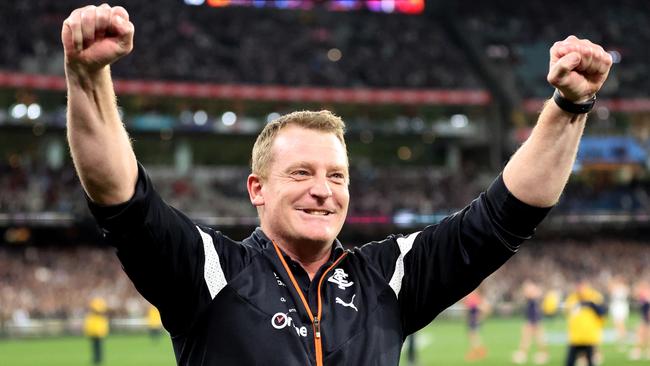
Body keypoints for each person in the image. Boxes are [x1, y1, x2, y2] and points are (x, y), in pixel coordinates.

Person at [61, 4, 613, 365]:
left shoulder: (389, 278)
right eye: (300, 173)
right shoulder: (210, 273)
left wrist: (570, 105)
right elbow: (124, 204)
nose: (323, 190)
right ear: (257, 188)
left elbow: (506, 217)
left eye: (337, 176)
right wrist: (88, 78)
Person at [564, 280, 606, 366]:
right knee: (569, 361)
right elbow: (568, 313)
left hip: (589, 336)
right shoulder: (572, 298)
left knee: (590, 360)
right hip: (576, 337)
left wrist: (591, 305)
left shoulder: (594, 297)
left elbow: (602, 312)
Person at [513, 280, 548, 364]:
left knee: (535, 338)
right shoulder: (531, 300)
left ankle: (541, 355)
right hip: (532, 321)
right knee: (529, 338)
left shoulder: (533, 300)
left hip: (534, 321)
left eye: (527, 289)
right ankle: (524, 354)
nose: (525, 291)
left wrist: (533, 322)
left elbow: (535, 312)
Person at [464, 289, 489, 361]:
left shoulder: (475, 297)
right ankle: (478, 351)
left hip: (474, 320)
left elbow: (485, 308)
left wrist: (480, 317)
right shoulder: (473, 297)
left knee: (473, 336)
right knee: (472, 336)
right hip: (472, 319)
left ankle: (479, 351)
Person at [83, 297, 109, 365]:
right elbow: (88, 325)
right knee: (95, 347)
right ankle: (96, 359)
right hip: (94, 333)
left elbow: (102, 326)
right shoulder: (92, 316)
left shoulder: (97, 317)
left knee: (98, 348)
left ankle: (98, 359)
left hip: (98, 334)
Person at [607, 276, 630, 351]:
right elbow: (609, 290)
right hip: (615, 306)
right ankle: (620, 341)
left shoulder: (624, 287)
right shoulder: (615, 287)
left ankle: (622, 342)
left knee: (621, 324)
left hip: (621, 306)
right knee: (616, 324)